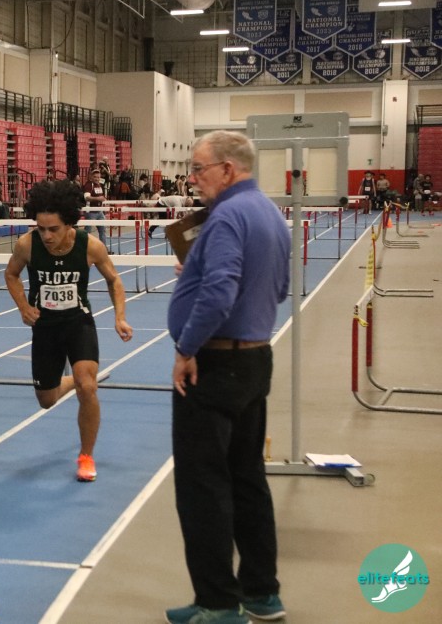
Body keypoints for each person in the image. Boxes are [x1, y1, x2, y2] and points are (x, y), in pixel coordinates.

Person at [165, 131, 290, 624]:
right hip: (255, 361)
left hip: (214, 367)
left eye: (198, 169)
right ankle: (262, 593)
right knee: (247, 478)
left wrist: (186, 349)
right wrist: (196, 275)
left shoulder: (226, 217)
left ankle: (217, 602)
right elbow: (278, 288)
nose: (192, 179)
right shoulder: (270, 213)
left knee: (204, 486)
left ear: (227, 169)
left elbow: (219, 292)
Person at [3, 180, 133, 482]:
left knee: (88, 387)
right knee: (46, 400)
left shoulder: (90, 246)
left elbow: (114, 280)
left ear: (69, 223)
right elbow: (11, 274)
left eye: (54, 229)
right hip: (45, 328)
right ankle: (73, 380)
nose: (47, 236)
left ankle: (86, 456)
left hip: (78, 323)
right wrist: (23, 307)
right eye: (41, 229)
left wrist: (120, 317)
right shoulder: (27, 245)